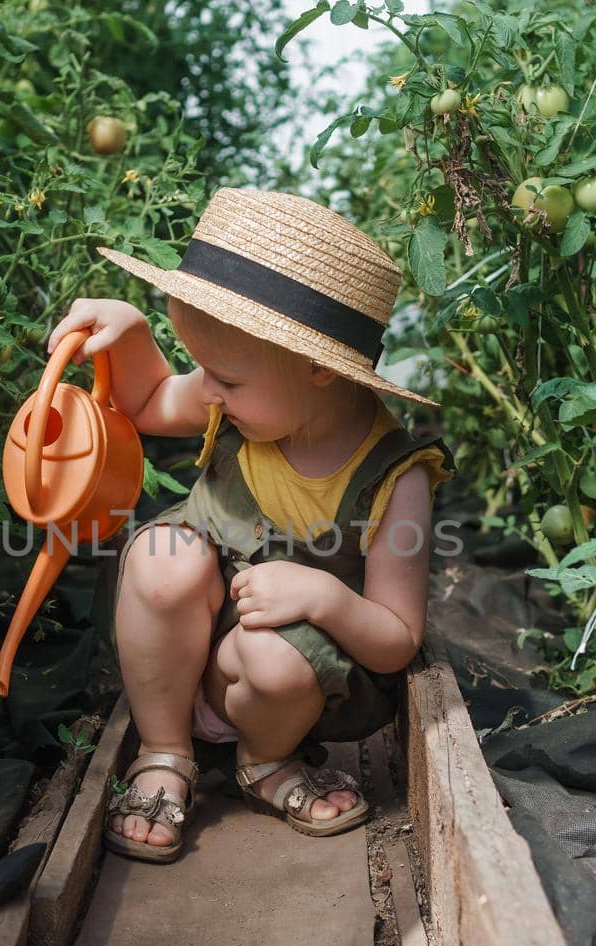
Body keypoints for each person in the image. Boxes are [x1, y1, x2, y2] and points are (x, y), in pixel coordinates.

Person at [45, 187, 453, 863]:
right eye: (202, 369)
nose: (204, 390)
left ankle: (266, 761)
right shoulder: (233, 398)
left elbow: (398, 639)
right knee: (161, 554)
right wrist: (132, 332)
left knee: (276, 658)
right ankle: (165, 750)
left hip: (286, 681)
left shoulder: (394, 477)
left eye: (224, 378)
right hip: (186, 641)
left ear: (321, 369)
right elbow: (147, 399)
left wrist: (323, 596)